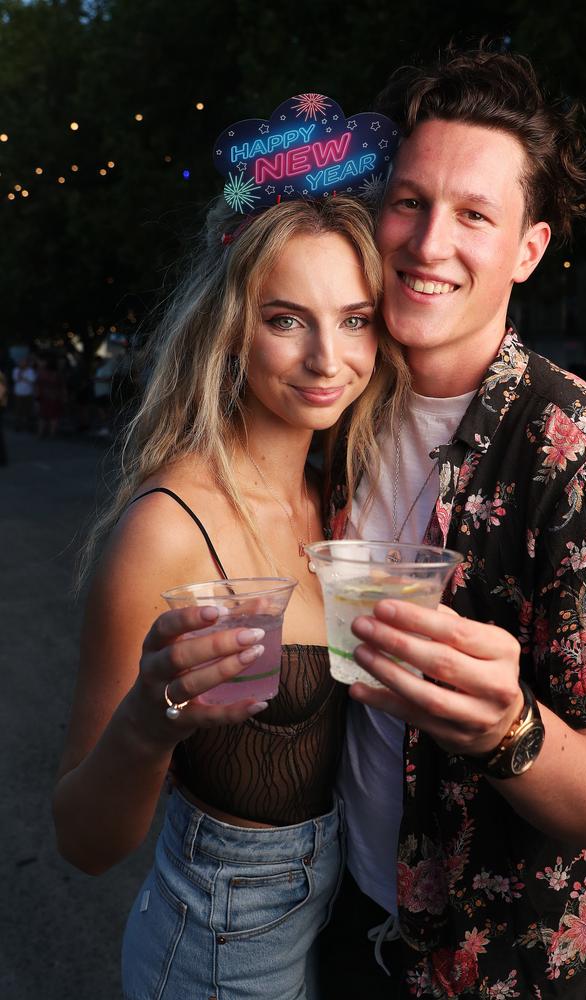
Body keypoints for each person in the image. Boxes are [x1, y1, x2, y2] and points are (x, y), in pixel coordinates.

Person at [321, 48, 586, 999]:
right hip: (351, 921)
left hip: (510, 967)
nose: (428, 245)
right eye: (410, 202)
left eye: (474, 215)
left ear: (528, 250)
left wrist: (505, 726)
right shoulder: (333, 408)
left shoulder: (575, 451)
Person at [52, 194, 408, 1000]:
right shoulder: (167, 528)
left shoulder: (344, 501)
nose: (328, 357)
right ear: (229, 331)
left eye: (354, 318)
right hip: (221, 945)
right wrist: (148, 724)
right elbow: (82, 841)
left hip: (344, 919)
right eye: (286, 319)